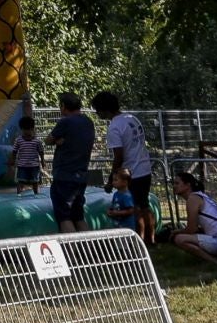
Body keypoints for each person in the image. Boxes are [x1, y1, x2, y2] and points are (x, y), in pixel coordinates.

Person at [94, 91, 157, 243]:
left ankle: (139, 242)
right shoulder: (132, 119)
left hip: (132, 173)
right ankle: (151, 239)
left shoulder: (115, 127)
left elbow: (119, 156)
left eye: (97, 110)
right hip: (145, 169)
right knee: (144, 206)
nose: (97, 113)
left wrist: (111, 179)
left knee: (135, 209)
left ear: (105, 109)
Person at [169, 168, 217, 265]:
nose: (174, 186)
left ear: (188, 185)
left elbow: (191, 229)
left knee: (179, 239)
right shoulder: (202, 196)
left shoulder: (193, 199)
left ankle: (215, 262)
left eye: (177, 183)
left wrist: (176, 232)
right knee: (195, 234)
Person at [46, 92, 96, 231]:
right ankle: (88, 248)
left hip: (64, 175)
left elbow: (48, 140)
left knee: (64, 217)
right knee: (78, 216)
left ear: (63, 106)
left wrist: (57, 140)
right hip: (81, 174)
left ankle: (71, 251)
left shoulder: (65, 122)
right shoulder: (88, 121)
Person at [12, 116, 45, 194]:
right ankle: (19, 194)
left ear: (32, 129)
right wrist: (13, 160)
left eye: (29, 129)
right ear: (22, 129)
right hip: (22, 165)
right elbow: (14, 151)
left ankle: (36, 194)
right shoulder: (18, 140)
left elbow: (41, 151)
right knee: (20, 180)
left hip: (34, 165)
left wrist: (43, 161)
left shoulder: (37, 141)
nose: (27, 132)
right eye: (25, 130)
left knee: (35, 181)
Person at [108, 169, 141, 243]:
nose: (113, 182)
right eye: (113, 180)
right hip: (118, 226)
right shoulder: (116, 194)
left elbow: (131, 210)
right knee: (119, 244)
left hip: (127, 227)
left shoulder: (126, 196)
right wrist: (110, 210)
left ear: (125, 182)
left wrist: (116, 213)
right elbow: (113, 205)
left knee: (126, 244)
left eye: (116, 180)